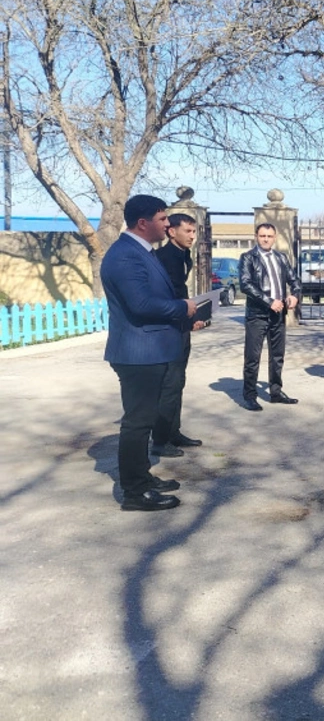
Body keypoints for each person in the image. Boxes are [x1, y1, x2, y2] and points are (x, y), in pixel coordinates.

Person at [101, 195, 197, 511]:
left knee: (142, 420)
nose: (168, 224)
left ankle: (141, 477)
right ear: (143, 223)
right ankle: (134, 492)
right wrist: (182, 307)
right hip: (138, 352)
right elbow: (140, 305)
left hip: (151, 350)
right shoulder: (126, 256)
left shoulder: (142, 251)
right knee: (138, 423)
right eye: (162, 219)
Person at [150, 213, 207, 458]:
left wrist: (192, 318)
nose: (192, 236)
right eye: (187, 231)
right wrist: (185, 315)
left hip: (181, 326)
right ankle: (160, 440)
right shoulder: (163, 258)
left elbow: (181, 291)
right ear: (172, 231)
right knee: (169, 384)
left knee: (178, 382)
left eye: (194, 232)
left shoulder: (183, 255)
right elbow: (168, 295)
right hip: (167, 330)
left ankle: (174, 432)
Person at [239, 223, 301, 410]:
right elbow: (245, 284)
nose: (266, 239)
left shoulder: (281, 257)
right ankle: (250, 395)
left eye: (270, 236)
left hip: (278, 314)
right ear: (256, 236)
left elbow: (294, 280)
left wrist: (294, 295)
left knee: (277, 356)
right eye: (262, 235)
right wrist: (268, 301)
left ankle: (276, 391)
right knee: (252, 357)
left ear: (275, 237)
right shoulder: (248, 257)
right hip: (257, 315)